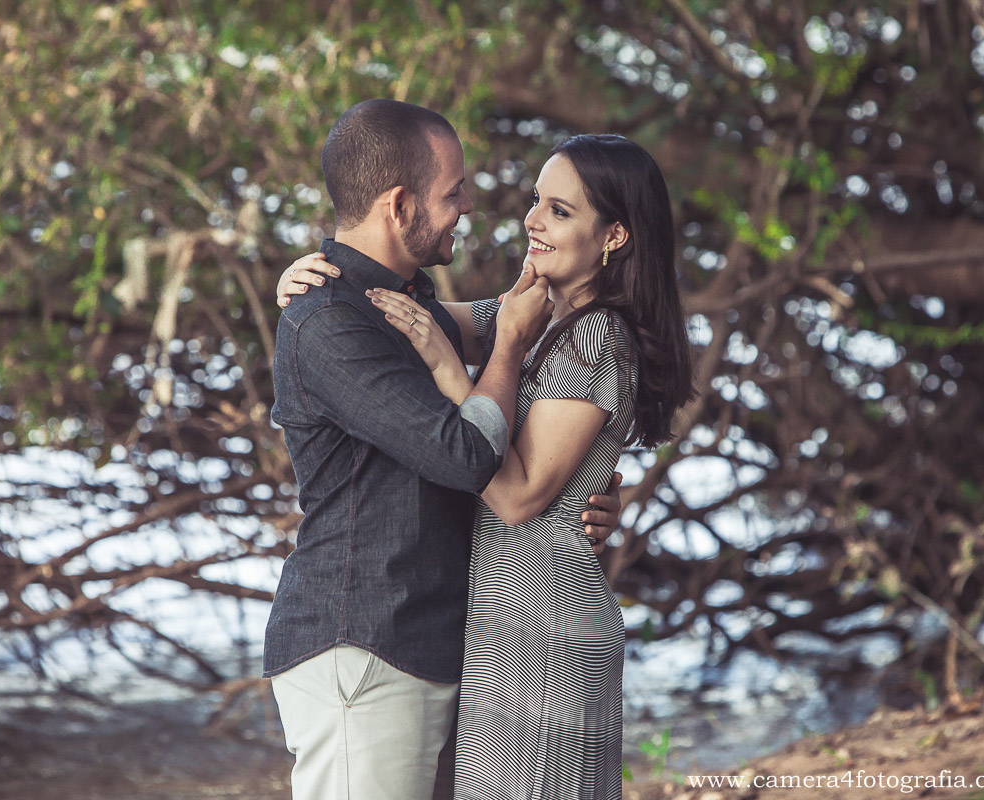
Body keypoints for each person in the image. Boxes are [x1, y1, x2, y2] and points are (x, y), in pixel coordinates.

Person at [278, 133, 695, 799]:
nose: (532, 219)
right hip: (497, 618)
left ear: (614, 235)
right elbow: (392, 318)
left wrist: (451, 373)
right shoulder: (537, 313)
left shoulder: (594, 335)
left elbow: (518, 497)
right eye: (537, 201)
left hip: (547, 619)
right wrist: (315, 279)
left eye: (560, 210)